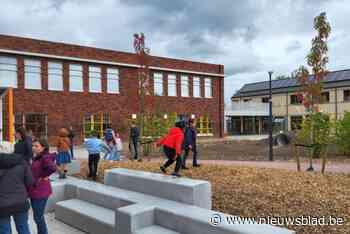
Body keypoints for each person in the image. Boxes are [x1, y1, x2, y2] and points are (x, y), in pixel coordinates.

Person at [0, 150, 34, 234]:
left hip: (2, 204)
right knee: (23, 228)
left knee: (5, 230)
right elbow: (30, 182)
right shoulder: (22, 163)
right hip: (20, 202)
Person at [28, 138, 56, 234]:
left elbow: (52, 168)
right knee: (37, 216)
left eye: (36, 146)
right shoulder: (37, 157)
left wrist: (43, 176)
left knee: (38, 217)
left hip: (41, 191)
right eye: (33, 145)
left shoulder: (45, 157)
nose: (33, 148)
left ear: (43, 147)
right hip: (35, 190)